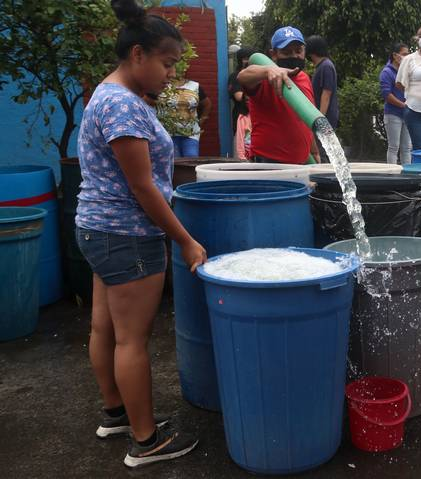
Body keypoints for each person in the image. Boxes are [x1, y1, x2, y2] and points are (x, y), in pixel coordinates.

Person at [76, 0, 206, 467]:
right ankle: (147, 441)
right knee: (131, 338)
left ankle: (116, 413)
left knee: (104, 326)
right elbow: (143, 187)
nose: (171, 74)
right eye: (167, 63)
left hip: (98, 228)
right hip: (126, 234)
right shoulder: (123, 106)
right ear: (137, 54)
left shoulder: (110, 96)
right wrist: (185, 240)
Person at [237, 26, 321, 164]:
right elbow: (242, 76)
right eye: (286, 52)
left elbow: (303, 118)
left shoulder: (305, 78)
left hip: (300, 163)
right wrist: (268, 70)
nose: (294, 56)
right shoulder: (265, 78)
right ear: (274, 54)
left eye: (298, 51)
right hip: (268, 164)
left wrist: (314, 151)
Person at [156, 67, 212, 157]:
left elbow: (207, 104)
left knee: (191, 158)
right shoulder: (163, 86)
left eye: (182, 68)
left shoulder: (194, 86)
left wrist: (201, 120)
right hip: (168, 133)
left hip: (190, 133)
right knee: (174, 162)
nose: (179, 71)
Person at [379, 42, 412, 165]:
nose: (406, 57)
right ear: (395, 55)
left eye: (408, 54)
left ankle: (407, 173)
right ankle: (391, 174)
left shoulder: (406, 71)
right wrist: (403, 105)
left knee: (407, 148)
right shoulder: (387, 72)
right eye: (404, 54)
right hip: (393, 114)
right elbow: (387, 95)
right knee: (394, 147)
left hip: (406, 114)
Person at [305, 35, 339, 130]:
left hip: (326, 118)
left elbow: (326, 94)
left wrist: (320, 120)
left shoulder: (326, 66)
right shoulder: (320, 66)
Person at [228, 47, 253, 134]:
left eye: (251, 59)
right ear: (240, 60)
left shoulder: (258, 76)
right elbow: (239, 97)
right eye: (245, 59)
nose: (248, 62)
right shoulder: (235, 76)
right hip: (242, 118)